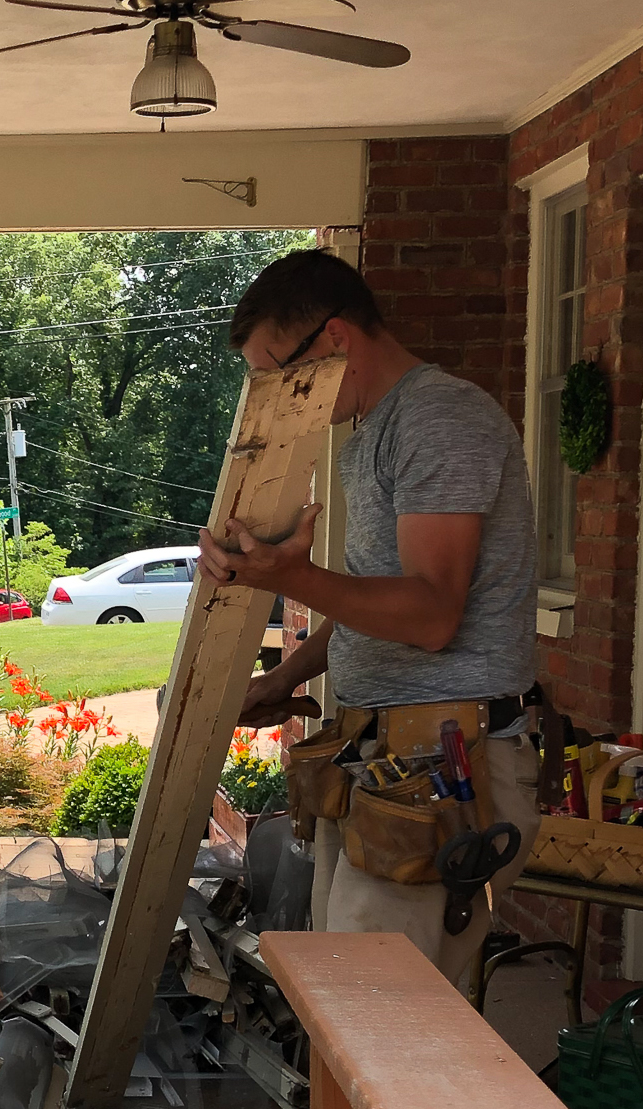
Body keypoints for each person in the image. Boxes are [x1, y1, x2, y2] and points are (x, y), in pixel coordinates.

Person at [198, 247, 542, 986]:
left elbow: (429, 614)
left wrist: (294, 574)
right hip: (385, 765)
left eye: (278, 373)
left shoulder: (439, 418)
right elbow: (369, 602)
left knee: (384, 1022)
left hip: (444, 767)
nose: (276, 397)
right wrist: (279, 678)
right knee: (348, 1009)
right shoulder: (370, 436)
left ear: (335, 338)